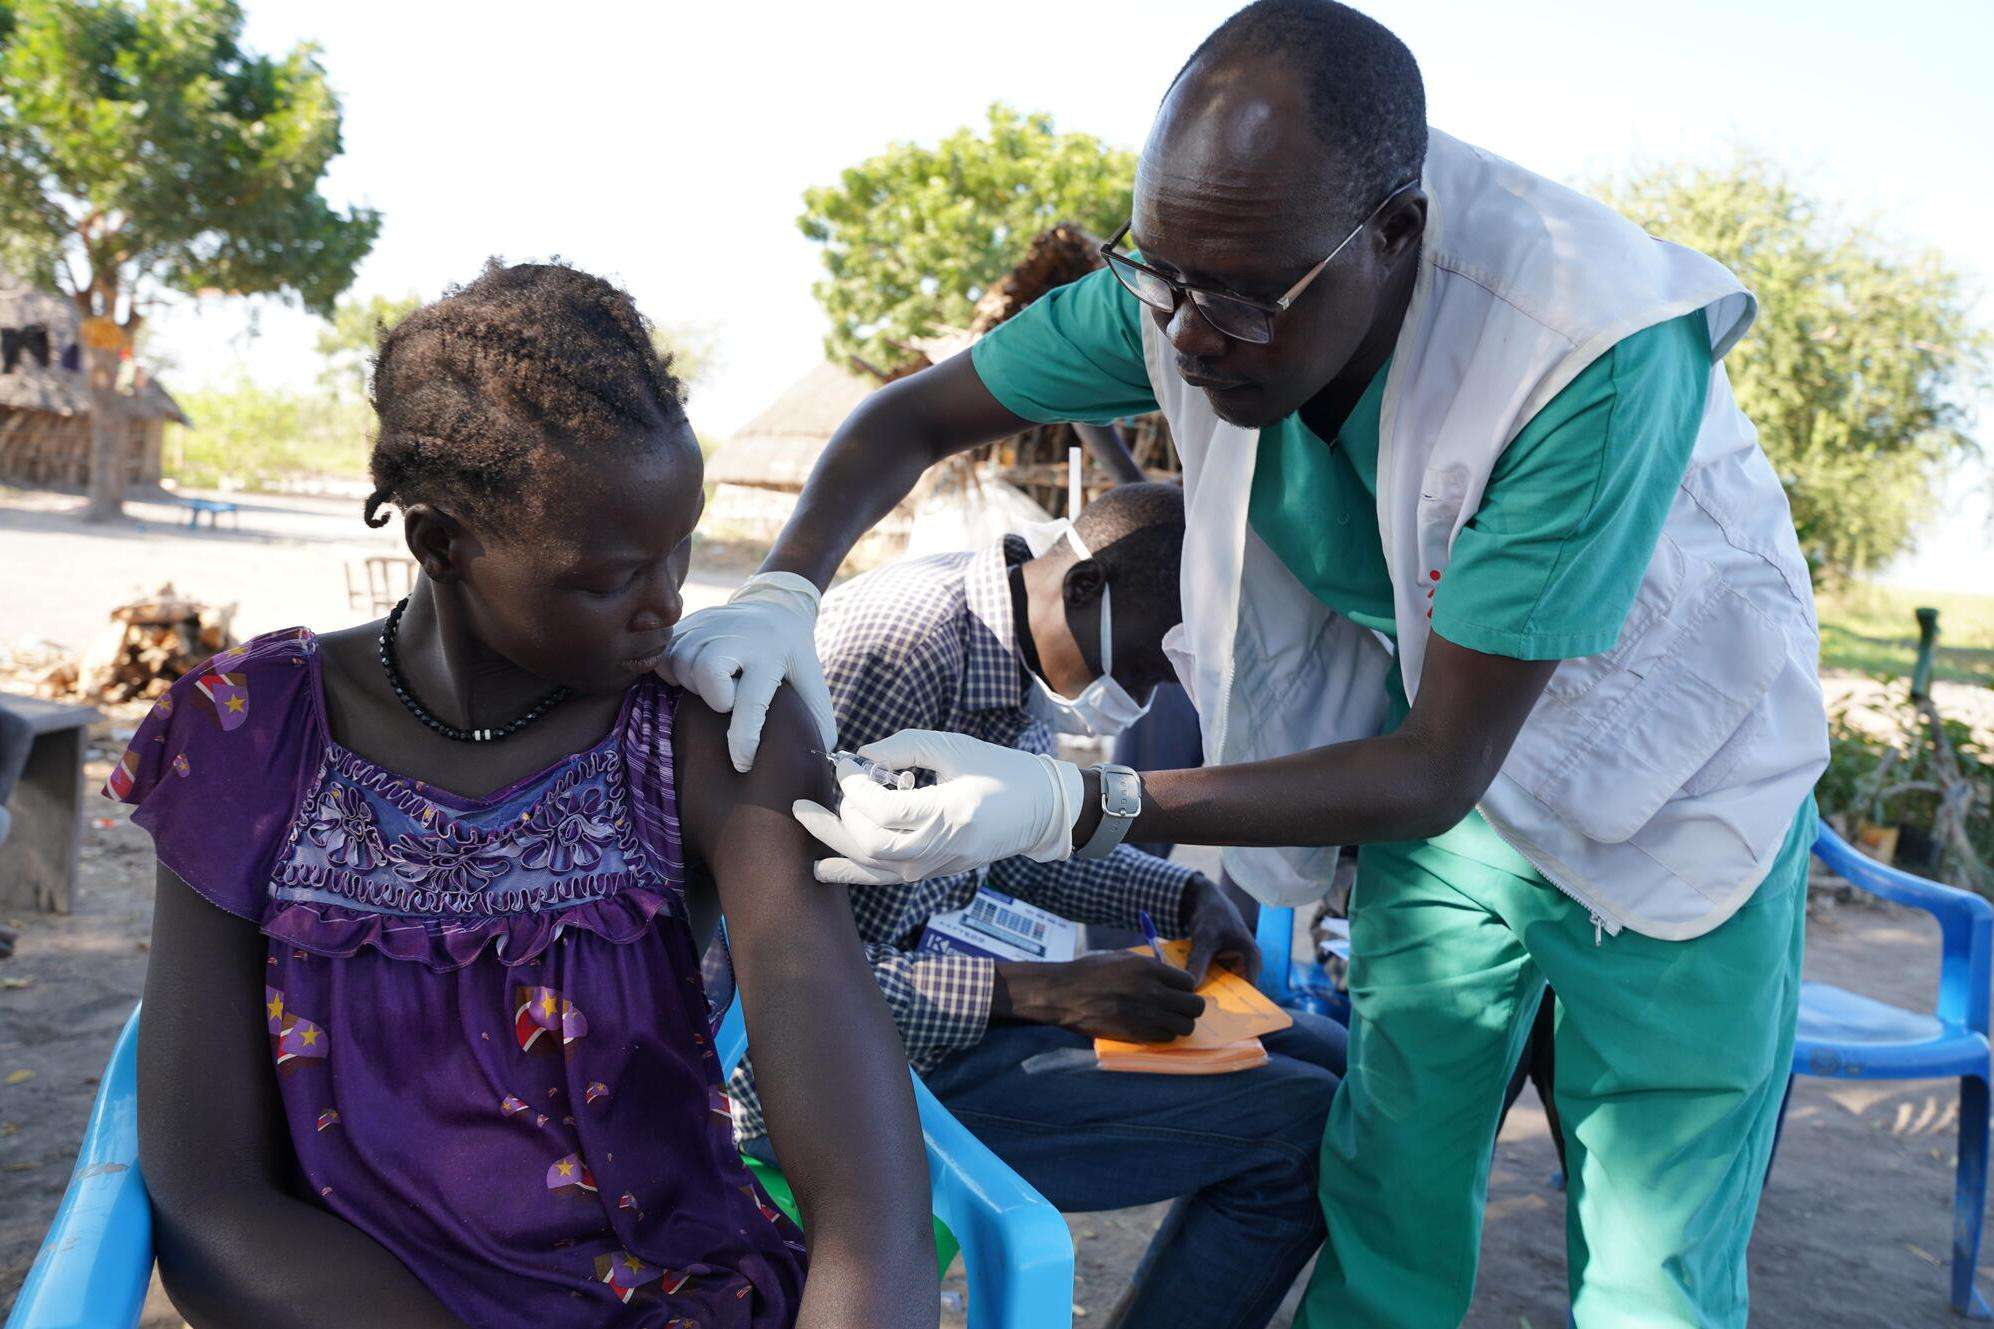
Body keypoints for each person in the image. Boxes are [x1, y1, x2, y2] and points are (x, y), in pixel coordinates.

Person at [663, 3, 1829, 1325]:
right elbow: (911, 414)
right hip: (1429, 804)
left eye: (1232, 299)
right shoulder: (1203, 275)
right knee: (1385, 1170)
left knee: (1648, 1259)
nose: (1187, 339)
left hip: (1669, 787)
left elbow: (1436, 764)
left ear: (1391, 236)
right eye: (1158, 283)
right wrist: (779, 589)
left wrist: (1080, 801)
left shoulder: (1584, 351)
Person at [118, 261, 935, 1329]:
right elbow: (208, 1194)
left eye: (680, 544)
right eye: (607, 577)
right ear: (441, 544)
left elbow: (867, 1215)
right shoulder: (248, 737)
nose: (670, 601)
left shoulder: (707, 733)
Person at [728, 481, 1347, 1329]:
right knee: (1301, 1127)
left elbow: (1012, 850)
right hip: (820, 1076)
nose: (1160, 683)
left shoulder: (1010, 637)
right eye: (1154, 655)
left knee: (1326, 1051)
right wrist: (1038, 992)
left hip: (914, 1013)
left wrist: (1184, 892)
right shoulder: (904, 647)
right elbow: (773, 973)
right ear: (1088, 587)